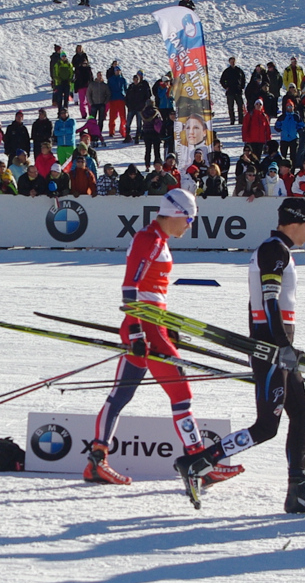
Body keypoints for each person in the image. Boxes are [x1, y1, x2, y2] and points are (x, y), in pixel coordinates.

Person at [175, 198, 305, 514]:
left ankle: (298, 492)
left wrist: (285, 348)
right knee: (266, 427)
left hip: (280, 351)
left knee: (301, 416)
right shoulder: (273, 250)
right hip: (272, 351)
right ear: (295, 221)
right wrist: (282, 347)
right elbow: (269, 302)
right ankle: (196, 463)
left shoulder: (278, 250)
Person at [84, 189, 241, 488]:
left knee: (121, 395)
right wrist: (137, 330)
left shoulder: (159, 239)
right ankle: (199, 464)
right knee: (181, 394)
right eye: (190, 218)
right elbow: (130, 288)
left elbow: (151, 290)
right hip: (146, 327)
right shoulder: (149, 239)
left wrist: (165, 325)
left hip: (153, 324)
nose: (190, 225)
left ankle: (96, 462)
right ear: (177, 213)